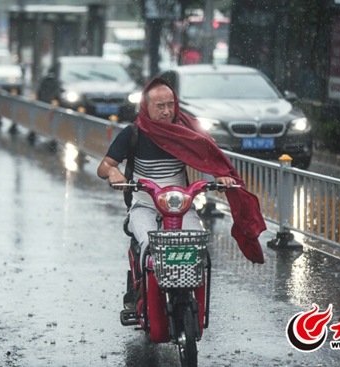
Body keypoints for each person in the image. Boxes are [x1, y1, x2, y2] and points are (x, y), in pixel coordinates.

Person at [97, 78, 266, 304]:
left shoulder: (186, 129)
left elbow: (209, 153)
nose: (167, 111)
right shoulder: (133, 132)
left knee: (195, 246)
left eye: (171, 104)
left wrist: (220, 175)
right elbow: (104, 166)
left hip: (181, 207)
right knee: (149, 248)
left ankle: (192, 298)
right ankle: (141, 291)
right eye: (160, 106)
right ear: (146, 107)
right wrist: (112, 172)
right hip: (143, 206)